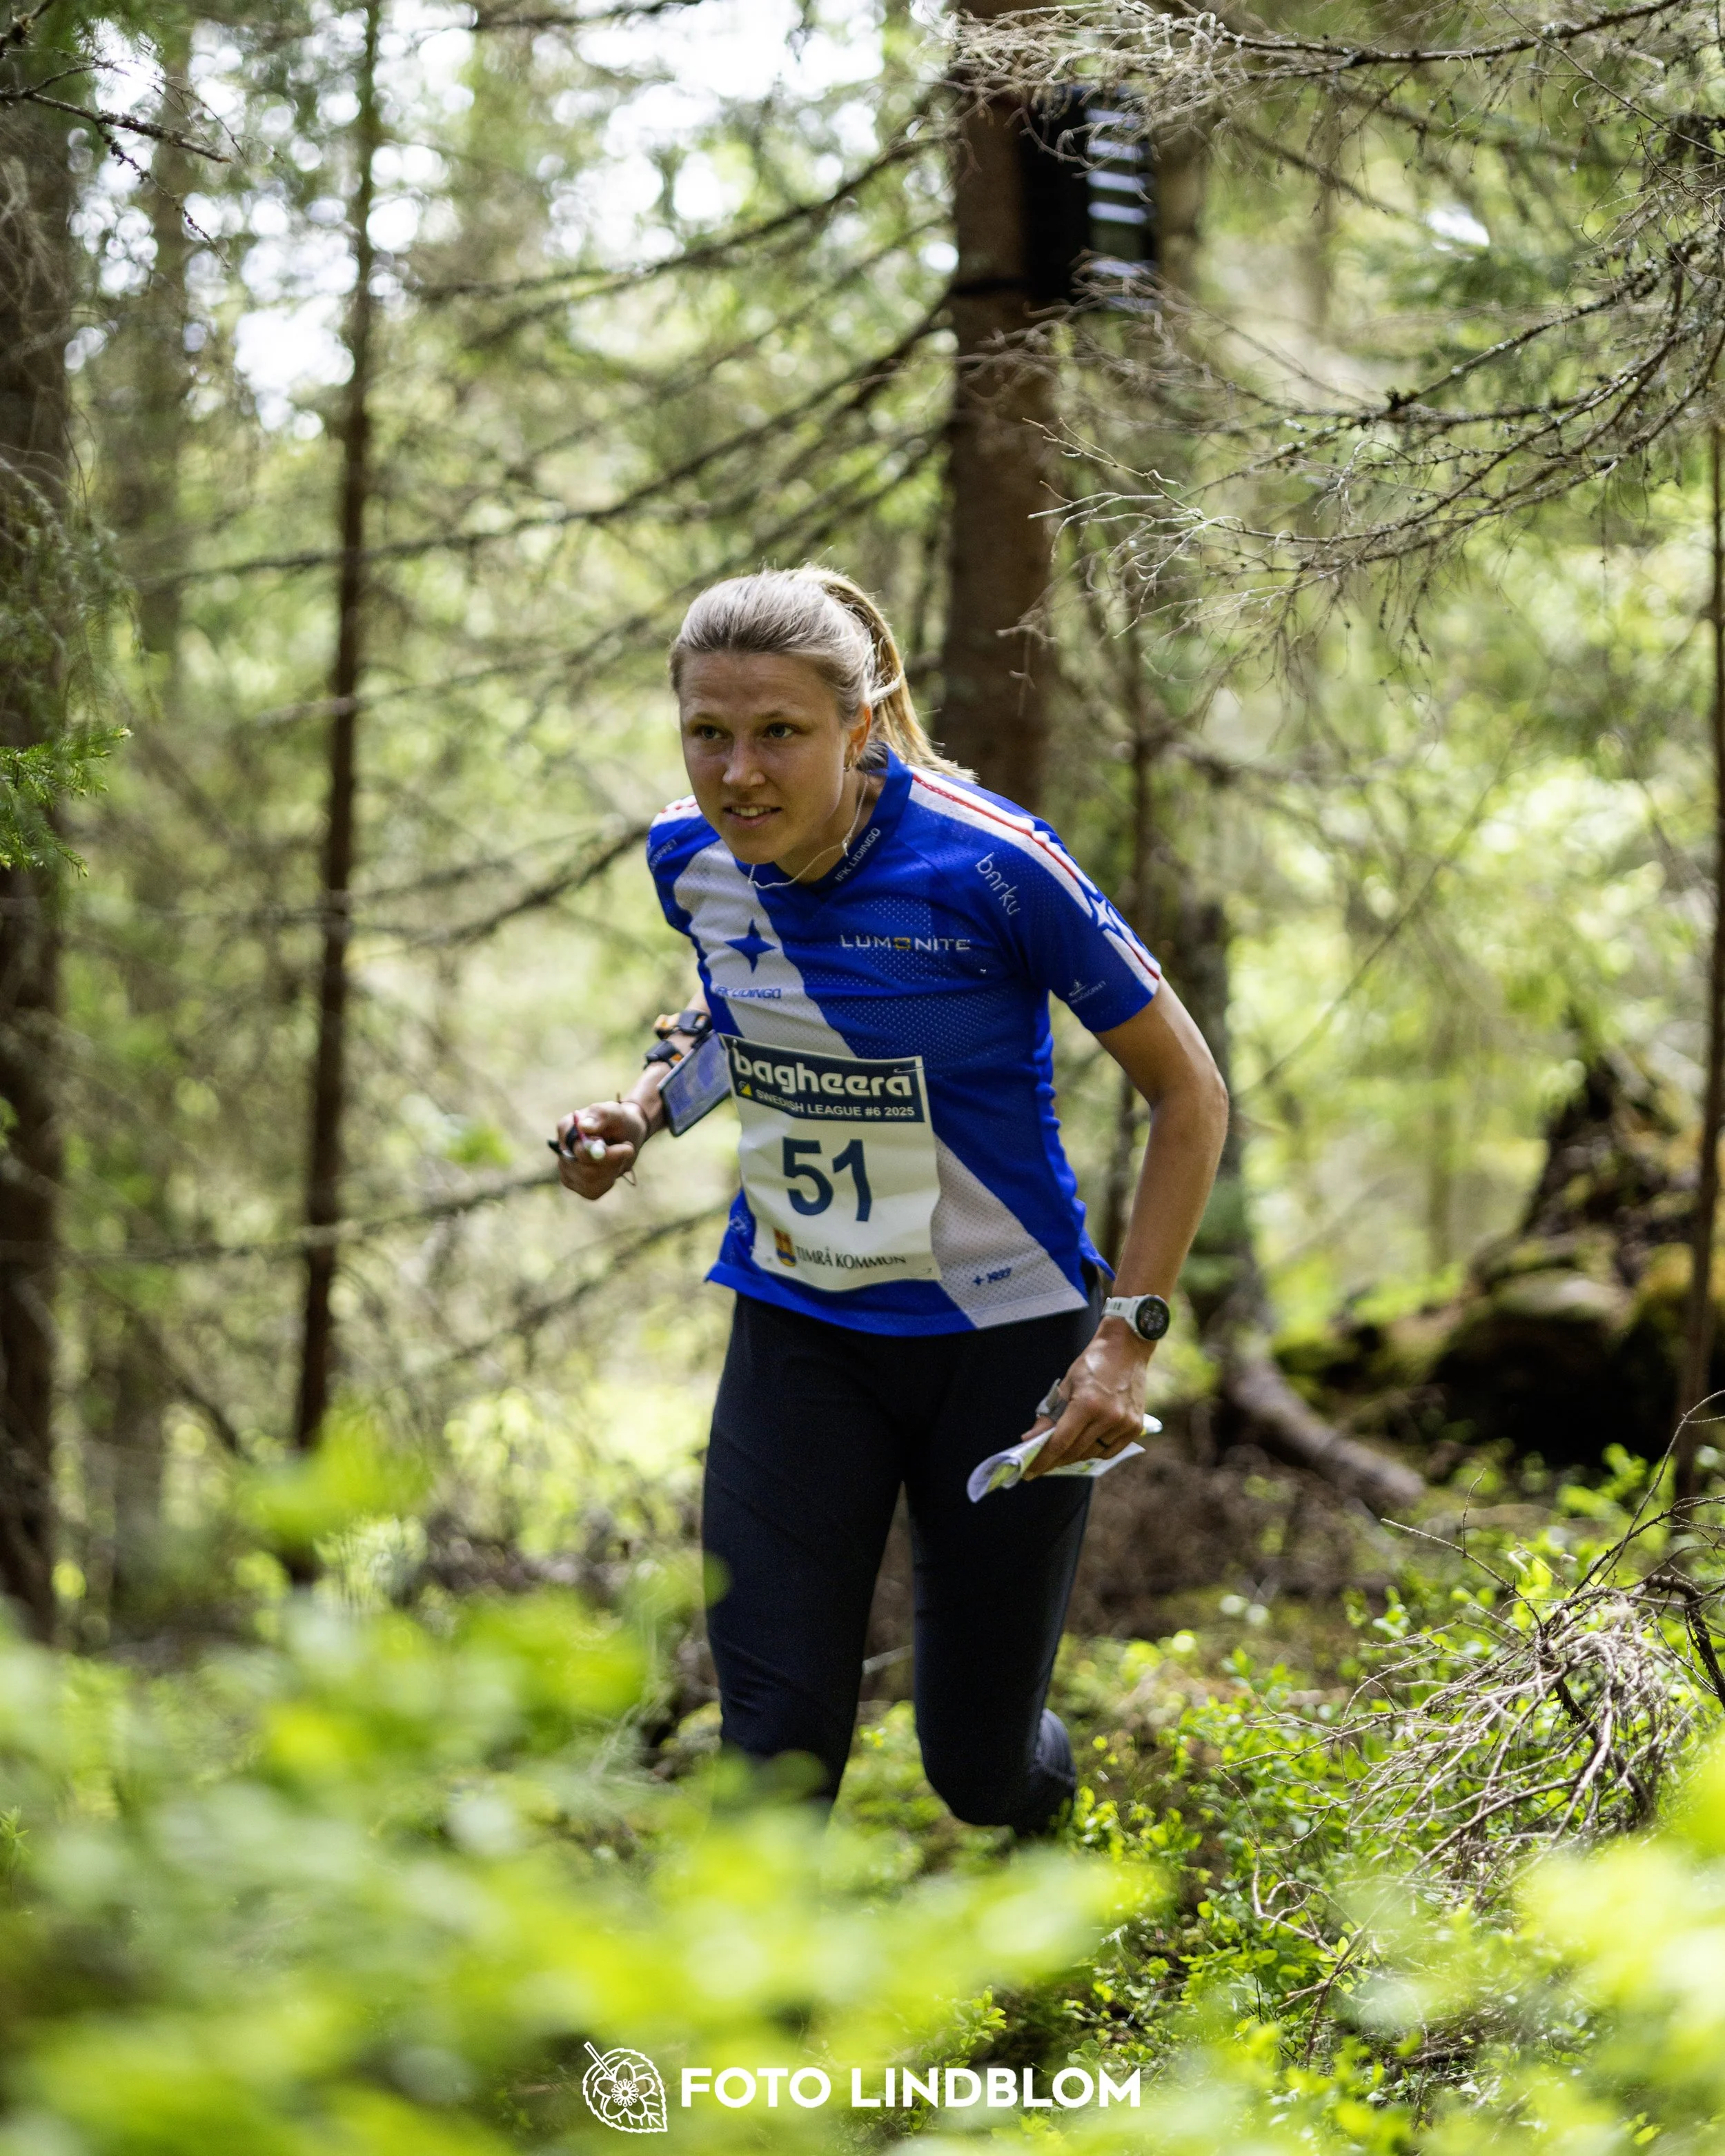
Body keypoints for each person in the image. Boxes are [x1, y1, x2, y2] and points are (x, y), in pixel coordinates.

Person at [556, 567, 1228, 1834]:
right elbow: (740, 1000)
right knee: (773, 1748)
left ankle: (1046, 1833)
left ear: (860, 726)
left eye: (779, 734)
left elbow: (1190, 1097)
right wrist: (636, 1114)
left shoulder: (994, 867)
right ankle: (769, 2029)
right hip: (800, 1331)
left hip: (1004, 1343)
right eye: (709, 732)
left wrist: (1124, 1341)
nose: (738, 773)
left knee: (977, 1768)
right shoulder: (688, 856)